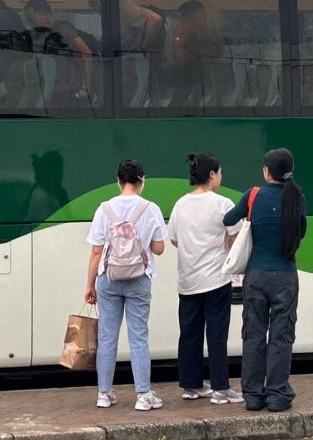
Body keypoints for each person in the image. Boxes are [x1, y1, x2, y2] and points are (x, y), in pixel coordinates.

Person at [223, 148, 307, 412]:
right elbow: (301, 232)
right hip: (285, 276)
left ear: (267, 171)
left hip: (256, 276)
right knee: (281, 336)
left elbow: (228, 219)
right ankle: (278, 394)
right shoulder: (297, 198)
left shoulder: (253, 195)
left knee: (254, 334)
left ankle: (253, 395)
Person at [84, 159, 167, 411]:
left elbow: (96, 252)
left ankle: (104, 393)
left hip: (107, 279)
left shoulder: (104, 209)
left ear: (118, 181)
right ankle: (143, 395)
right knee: (138, 336)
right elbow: (159, 249)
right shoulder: (150, 208)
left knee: (107, 337)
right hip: (138, 279)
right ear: (141, 181)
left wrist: (89, 285)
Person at [168, 153, 243, 405]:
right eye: (220, 173)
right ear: (212, 175)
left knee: (189, 334)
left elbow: (175, 239)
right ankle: (221, 388)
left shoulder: (180, 204)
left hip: (187, 280)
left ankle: (192, 386)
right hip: (215, 279)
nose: (221, 177)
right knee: (216, 334)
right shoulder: (222, 203)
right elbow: (235, 234)